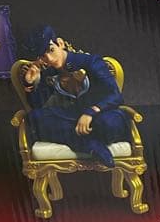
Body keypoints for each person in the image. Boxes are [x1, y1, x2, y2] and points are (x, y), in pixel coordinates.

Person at [21, 25, 130, 169]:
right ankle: (89, 144)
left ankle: (83, 140)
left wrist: (90, 112)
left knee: (109, 124)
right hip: (72, 117)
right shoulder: (49, 73)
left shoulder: (91, 62)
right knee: (34, 117)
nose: (49, 59)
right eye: (42, 56)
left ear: (60, 43)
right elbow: (37, 105)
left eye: (51, 50)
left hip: (102, 113)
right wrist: (29, 83)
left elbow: (116, 96)